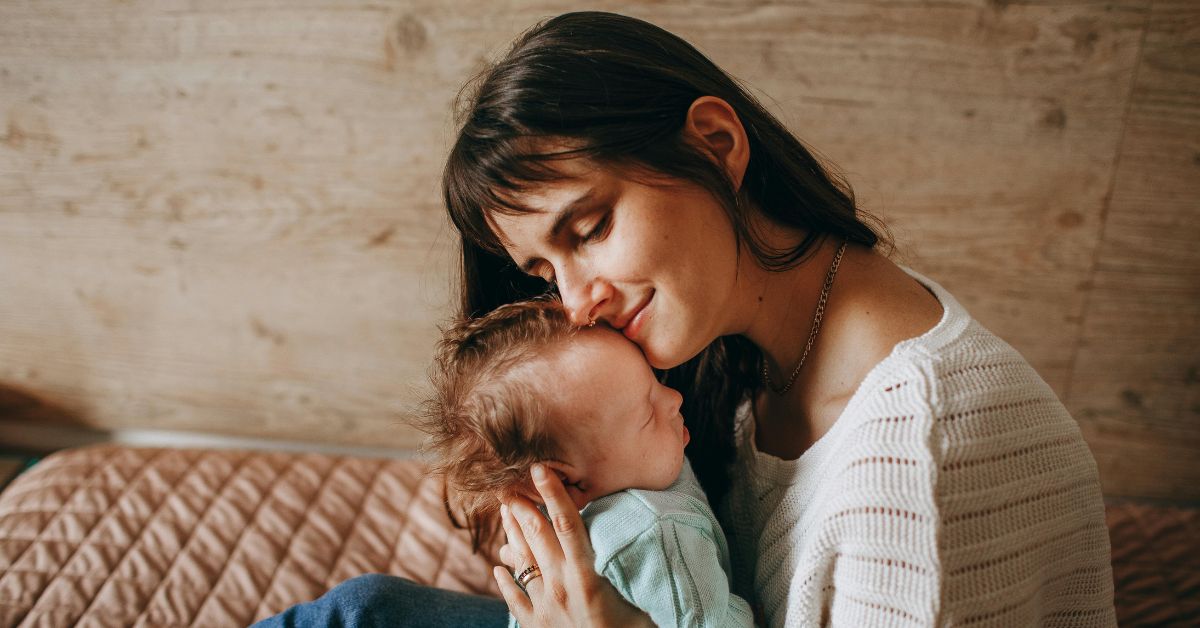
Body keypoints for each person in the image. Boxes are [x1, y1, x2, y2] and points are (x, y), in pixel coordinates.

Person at [258, 10, 1116, 627]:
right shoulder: (749, 343)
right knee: (363, 611)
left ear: (716, 143)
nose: (574, 301)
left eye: (589, 228)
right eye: (543, 270)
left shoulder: (918, 466)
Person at [416, 296, 753, 627]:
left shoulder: (597, 490)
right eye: (648, 414)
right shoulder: (655, 534)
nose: (675, 399)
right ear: (566, 483)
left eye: (657, 383)